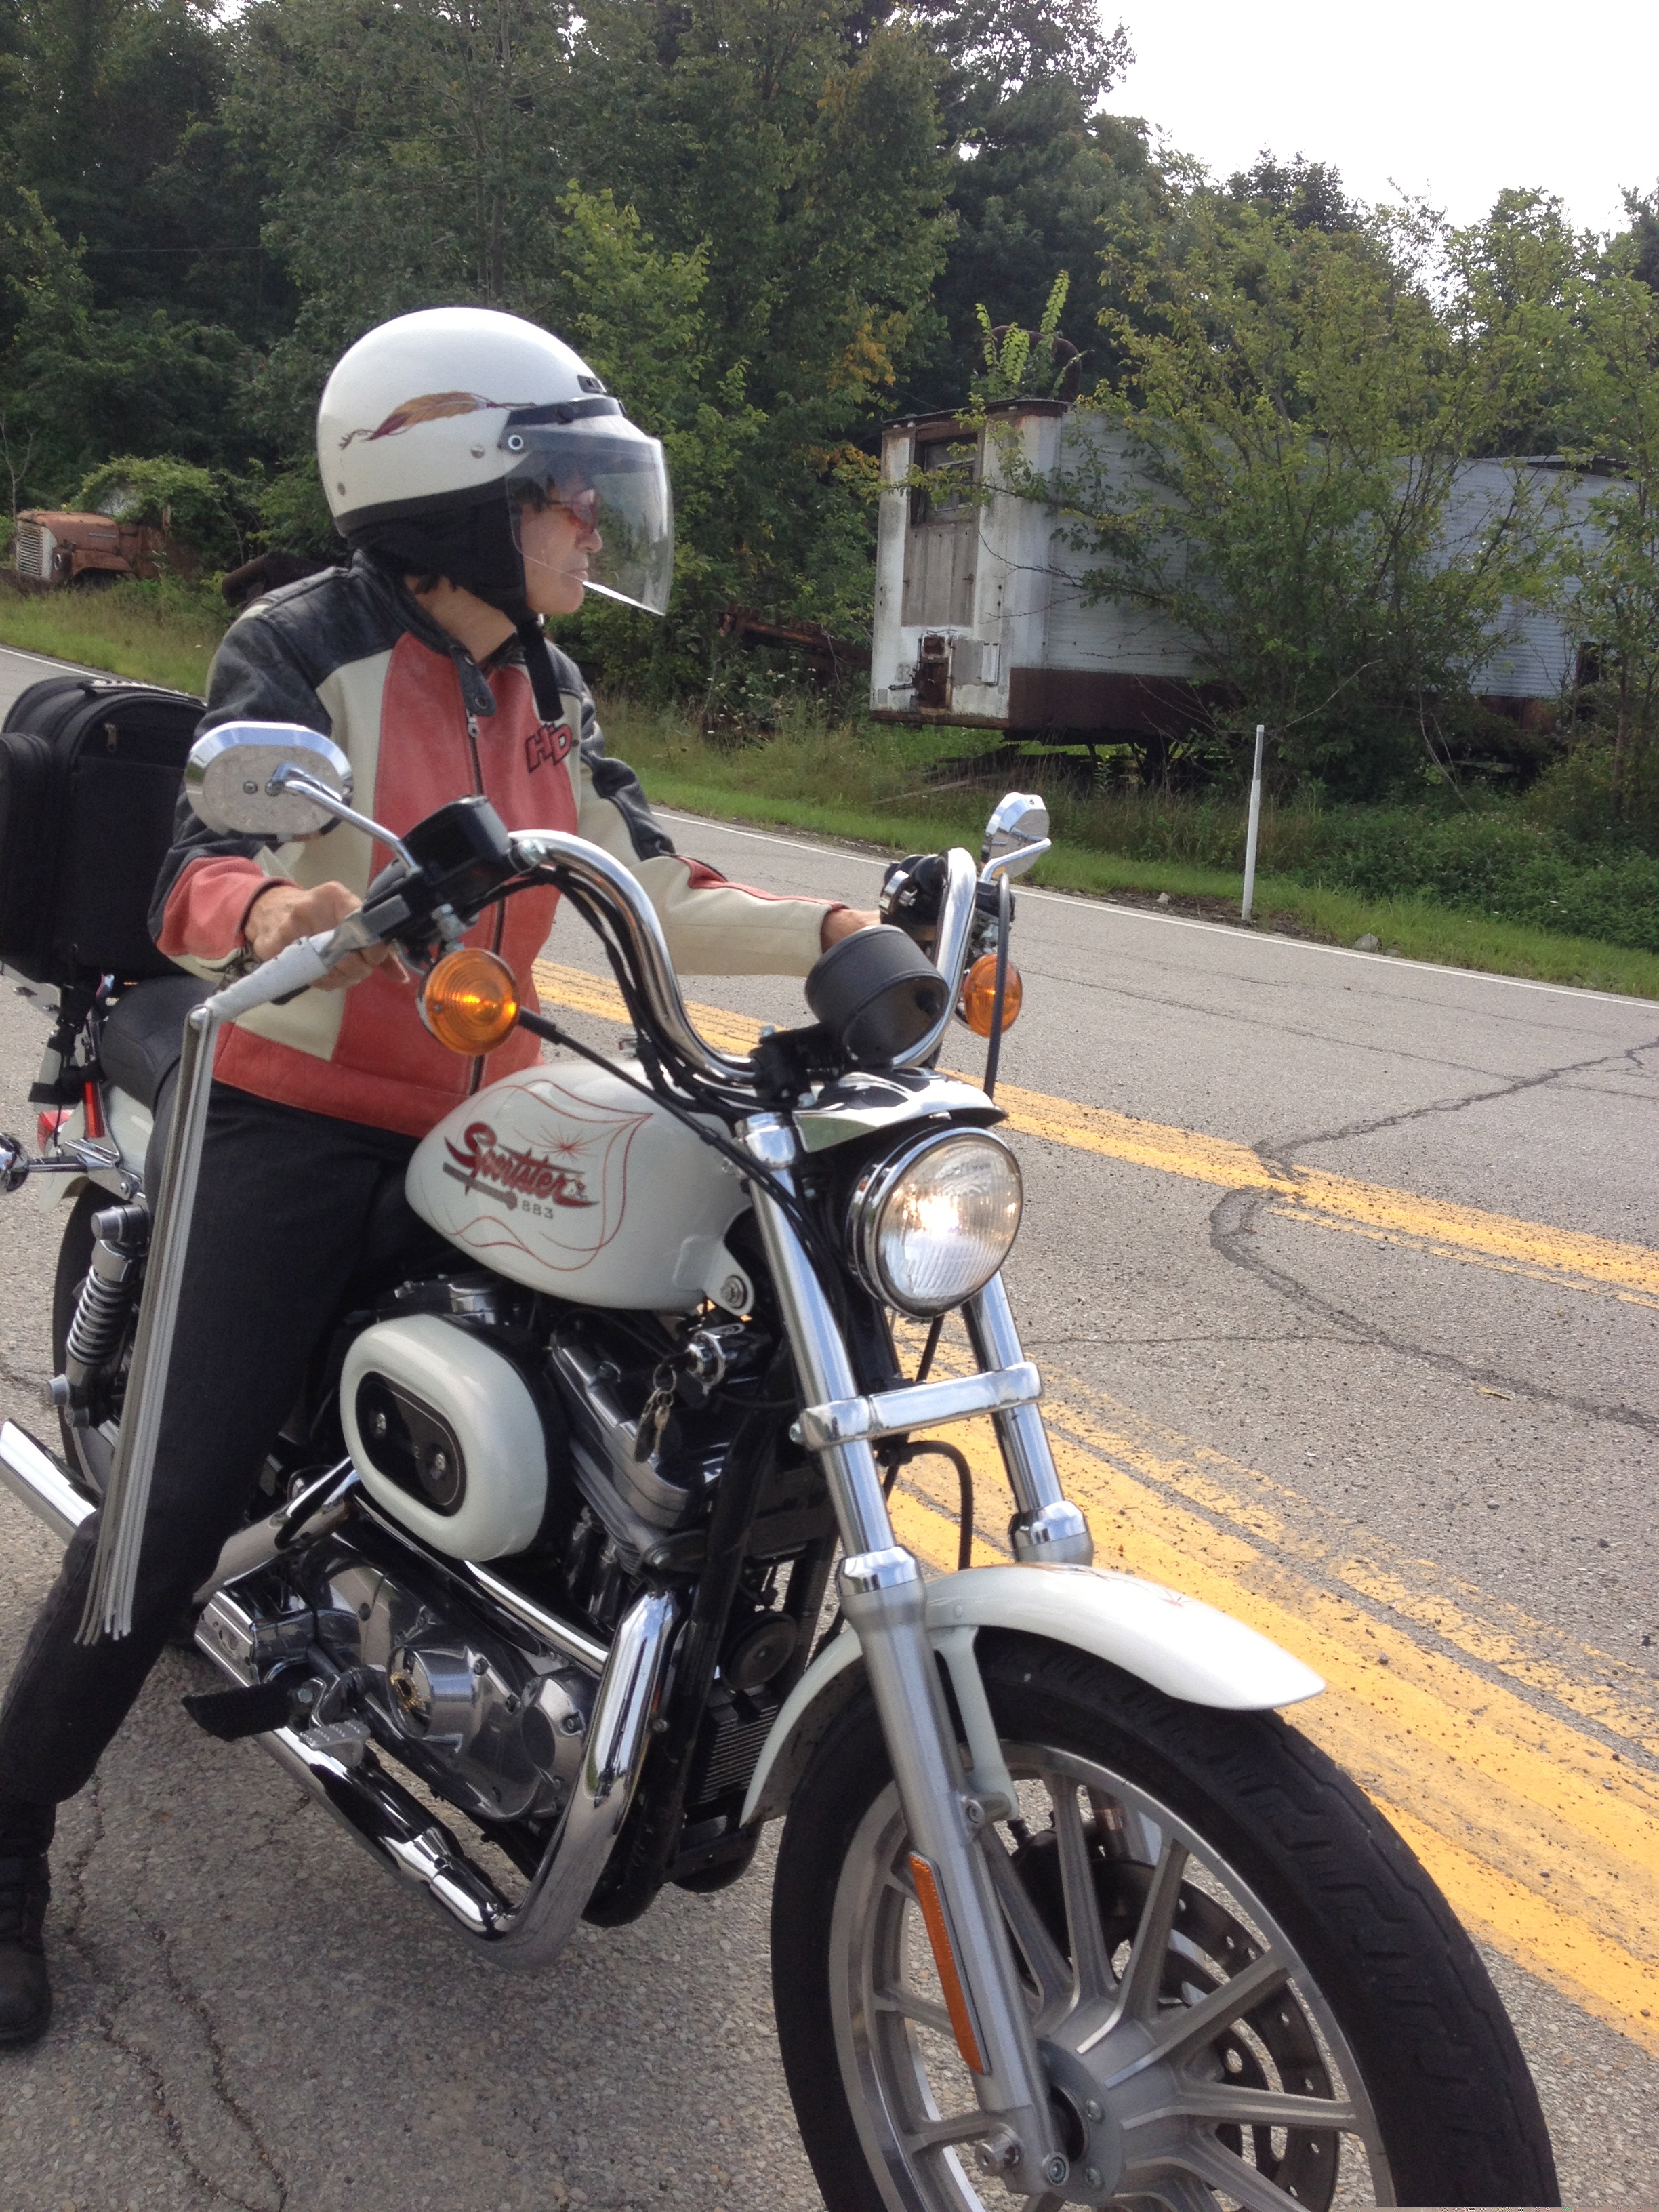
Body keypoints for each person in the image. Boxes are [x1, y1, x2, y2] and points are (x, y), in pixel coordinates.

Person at [0, 306, 879, 2045]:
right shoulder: (301, 644)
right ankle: (11, 1831)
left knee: (670, 1353)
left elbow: (653, 879)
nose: (590, 526)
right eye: (563, 495)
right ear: (455, 496)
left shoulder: (546, 679)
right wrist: (280, 907)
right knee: (169, 1513)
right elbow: (195, 872)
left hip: (488, 1103)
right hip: (293, 1113)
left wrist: (840, 926)